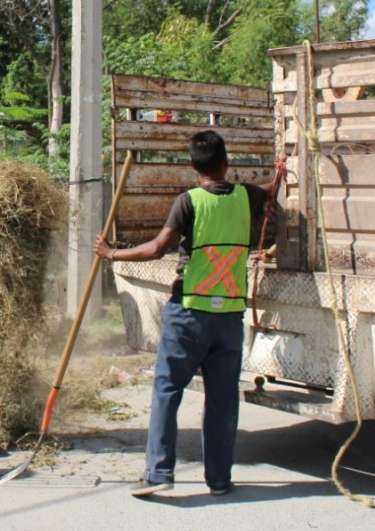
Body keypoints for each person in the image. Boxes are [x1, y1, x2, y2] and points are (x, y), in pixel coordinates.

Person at [94, 131, 274, 497]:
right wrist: (283, 171)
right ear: (227, 163)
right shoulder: (248, 196)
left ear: (193, 166)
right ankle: (220, 480)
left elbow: (158, 249)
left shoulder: (188, 202)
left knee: (167, 389)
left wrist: (111, 254)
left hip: (190, 312)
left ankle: (159, 473)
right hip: (229, 319)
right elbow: (270, 189)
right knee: (223, 400)